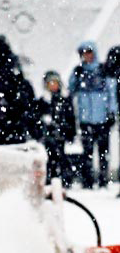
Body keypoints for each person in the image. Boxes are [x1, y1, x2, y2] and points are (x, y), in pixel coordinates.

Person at [68, 41, 117, 189]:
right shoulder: (79, 72)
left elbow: (111, 92)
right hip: (85, 119)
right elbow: (70, 90)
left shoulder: (103, 71)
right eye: (84, 53)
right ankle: (88, 180)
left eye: (89, 52)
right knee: (87, 152)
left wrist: (112, 112)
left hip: (102, 118)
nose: (87, 56)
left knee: (103, 152)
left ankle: (102, 180)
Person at [37, 70, 76, 185]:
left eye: (55, 83)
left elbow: (70, 117)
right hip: (49, 136)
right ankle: (50, 180)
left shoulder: (65, 100)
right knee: (50, 159)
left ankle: (65, 180)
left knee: (63, 159)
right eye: (50, 83)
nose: (53, 85)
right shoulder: (43, 101)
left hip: (62, 135)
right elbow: (37, 119)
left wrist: (70, 133)